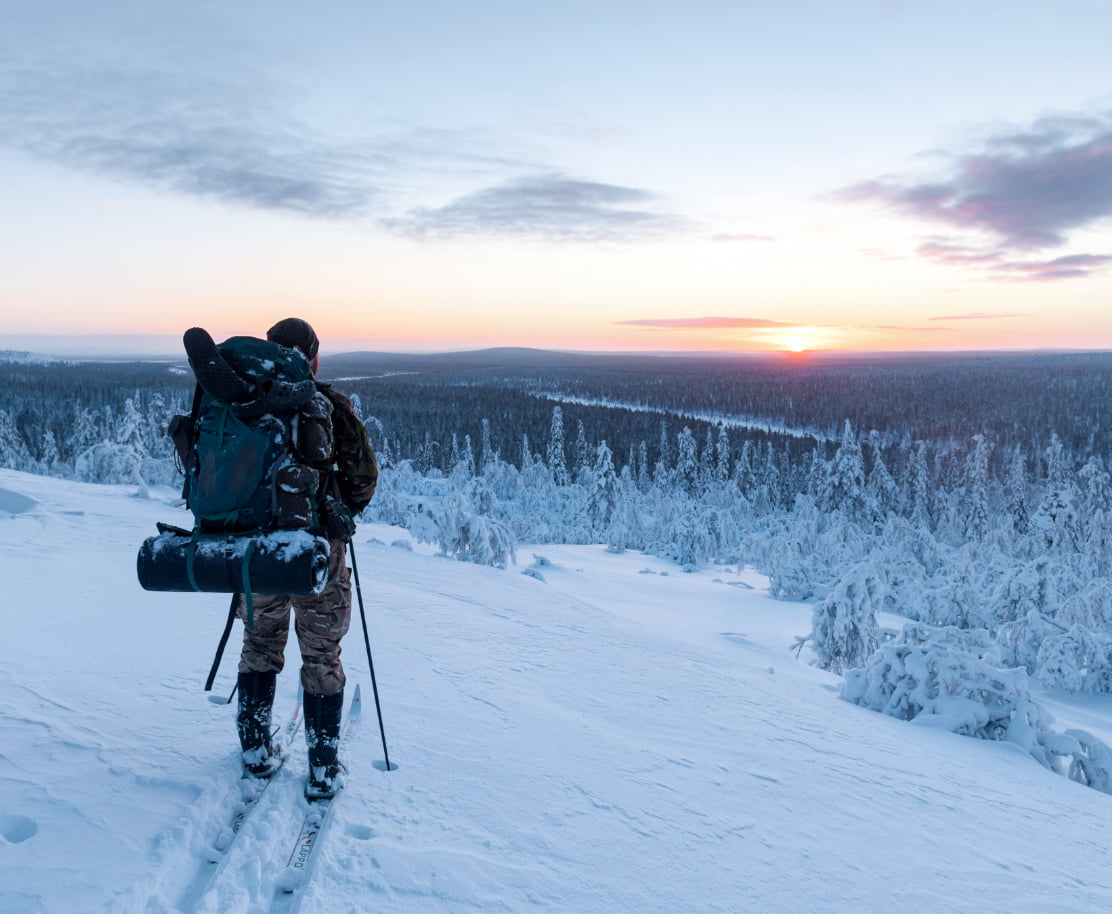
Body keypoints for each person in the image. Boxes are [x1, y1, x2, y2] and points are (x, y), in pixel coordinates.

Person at [235, 317, 379, 798]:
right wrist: (338, 510)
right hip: (315, 551)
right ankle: (322, 769)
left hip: (256, 551)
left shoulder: (242, 403)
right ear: (312, 357)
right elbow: (365, 479)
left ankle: (255, 751)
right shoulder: (329, 407)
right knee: (321, 655)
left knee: (260, 645)